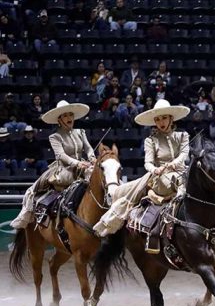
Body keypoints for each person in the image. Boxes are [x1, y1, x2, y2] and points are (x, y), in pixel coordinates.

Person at [94, 99, 190, 238]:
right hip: (161, 177)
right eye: (157, 119)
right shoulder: (150, 140)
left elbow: (184, 154)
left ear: (171, 118)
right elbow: (148, 163)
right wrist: (155, 170)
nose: (161, 122)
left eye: (164, 118)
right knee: (177, 182)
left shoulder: (183, 136)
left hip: (182, 171)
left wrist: (174, 163)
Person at [11, 100, 95, 229]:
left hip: (83, 165)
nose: (69, 118)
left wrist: (91, 157)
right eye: (65, 116)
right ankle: (25, 215)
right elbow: (61, 155)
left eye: (70, 115)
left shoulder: (81, 132)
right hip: (64, 170)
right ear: (59, 120)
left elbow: (88, 148)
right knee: (34, 188)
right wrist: (78, 163)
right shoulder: (55, 136)